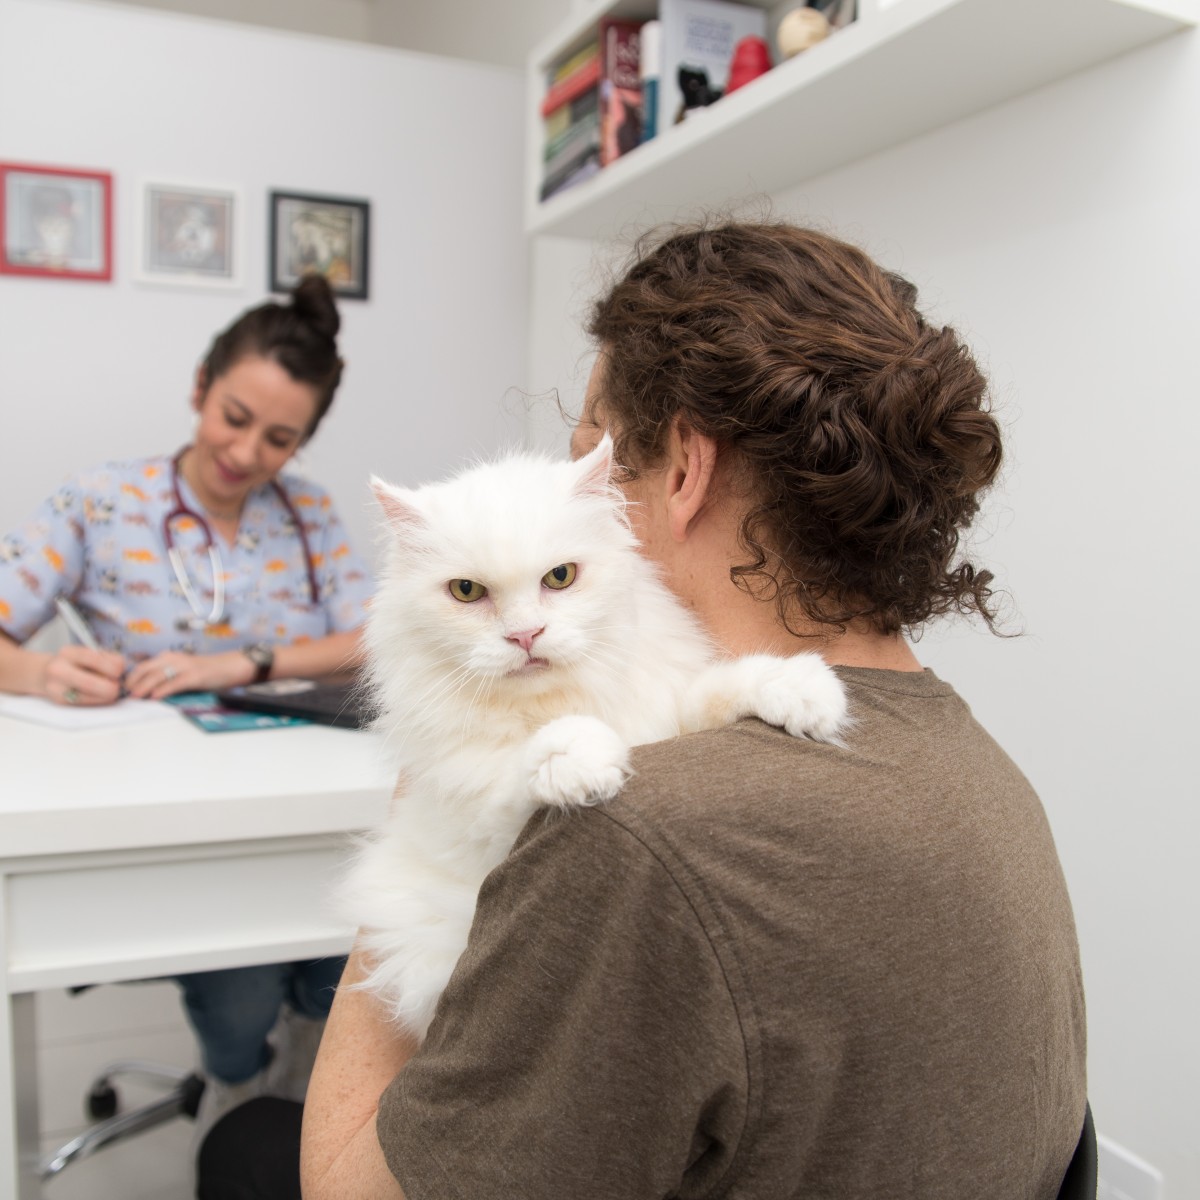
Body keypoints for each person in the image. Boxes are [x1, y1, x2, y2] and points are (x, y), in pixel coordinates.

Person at [223, 218, 1087, 1199]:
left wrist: (421, 820)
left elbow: (344, 1187)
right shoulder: (993, 783)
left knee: (245, 1145)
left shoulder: (635, 835)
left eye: (595, 461)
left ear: (682, 473)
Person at [0, 274, 374, 1132]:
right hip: (170, 818)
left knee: (344, 951)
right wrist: (43, 671)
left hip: (303, 809)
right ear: (201, 385)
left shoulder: (308, 515)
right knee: (243, 986)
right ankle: (238, 1091)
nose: (246, 453)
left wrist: (240, 663)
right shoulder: (101, 501)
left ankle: (301, 1105)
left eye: (279, 439)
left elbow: (369, 638)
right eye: (233, 417)